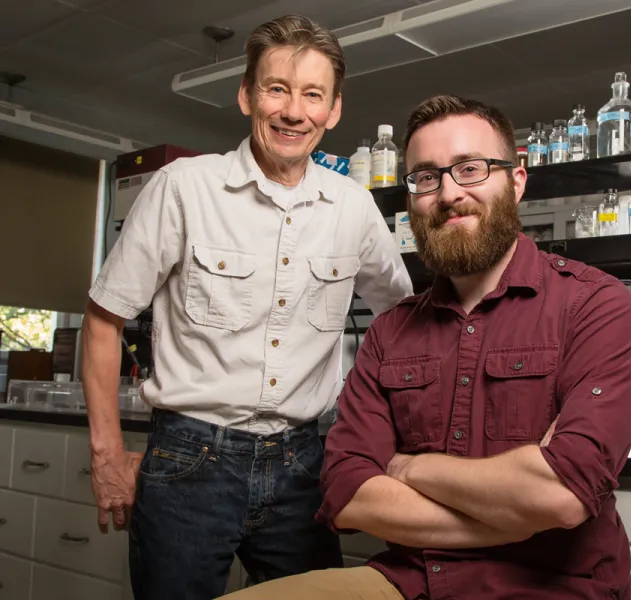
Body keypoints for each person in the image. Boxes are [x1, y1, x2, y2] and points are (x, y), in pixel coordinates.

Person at [220, 94, 631, 600]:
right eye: (425, 176)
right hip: (411, 582)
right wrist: (514, 514)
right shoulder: (390, 332)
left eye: (470, 169)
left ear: (516, 179)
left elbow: (561, 492)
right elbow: (348, 492)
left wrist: (407, 466)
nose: (448, 193)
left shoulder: (595, 305)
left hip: (551, 588)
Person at [81, 14, 413, 600]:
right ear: (246, 95)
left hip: (305, 463)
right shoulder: (182, 188)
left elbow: (405, 322)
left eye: (313, 94)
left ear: (334, 109)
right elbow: (104, 319)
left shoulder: (353, 207)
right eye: (277, 89)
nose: (294, 111)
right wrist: (108, 454)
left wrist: (379, 427)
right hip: (189, 460)